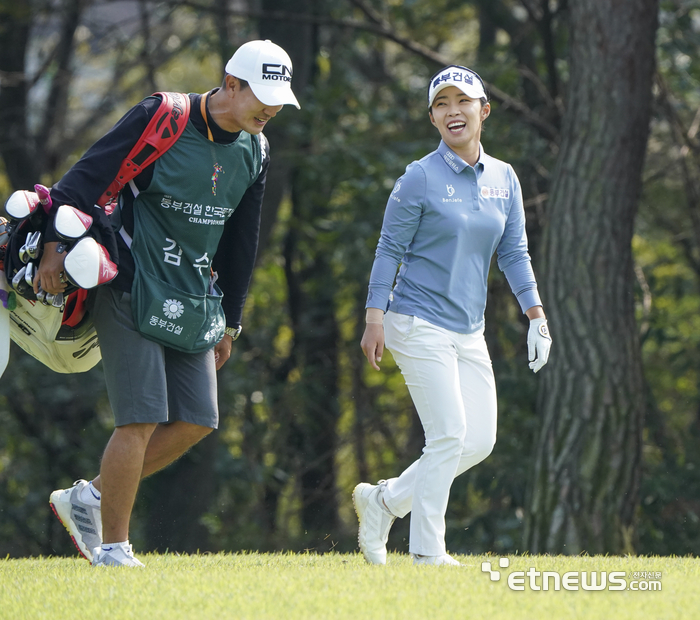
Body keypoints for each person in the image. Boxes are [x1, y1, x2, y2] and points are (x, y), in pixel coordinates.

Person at [41, 39, 300, 567]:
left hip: (194, 295)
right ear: (231, 85)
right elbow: (83, 179)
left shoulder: (257, 149)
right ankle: (113, 547)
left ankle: (87, 497)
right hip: (128, 281)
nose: (270, 109)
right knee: (139, 418)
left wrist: (231, 320)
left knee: (198, 420)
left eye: (279, 99)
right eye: (263, 96)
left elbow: (241, 239)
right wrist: (52, 247)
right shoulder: (163, 116)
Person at [354, 65, 551, 566]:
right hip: (415, 319)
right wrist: (374, 316)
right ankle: (427, 553)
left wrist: (536, 315)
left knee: (478, 441)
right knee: (448, 436)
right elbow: (388, 249)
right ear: (433, 118)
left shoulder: (504, 178)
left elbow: (514, 252)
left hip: (470, 328)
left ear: (483, 111)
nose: (452, 111)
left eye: (462, 102)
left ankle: (383, 502)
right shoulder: (420, 176)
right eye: (441, 104)